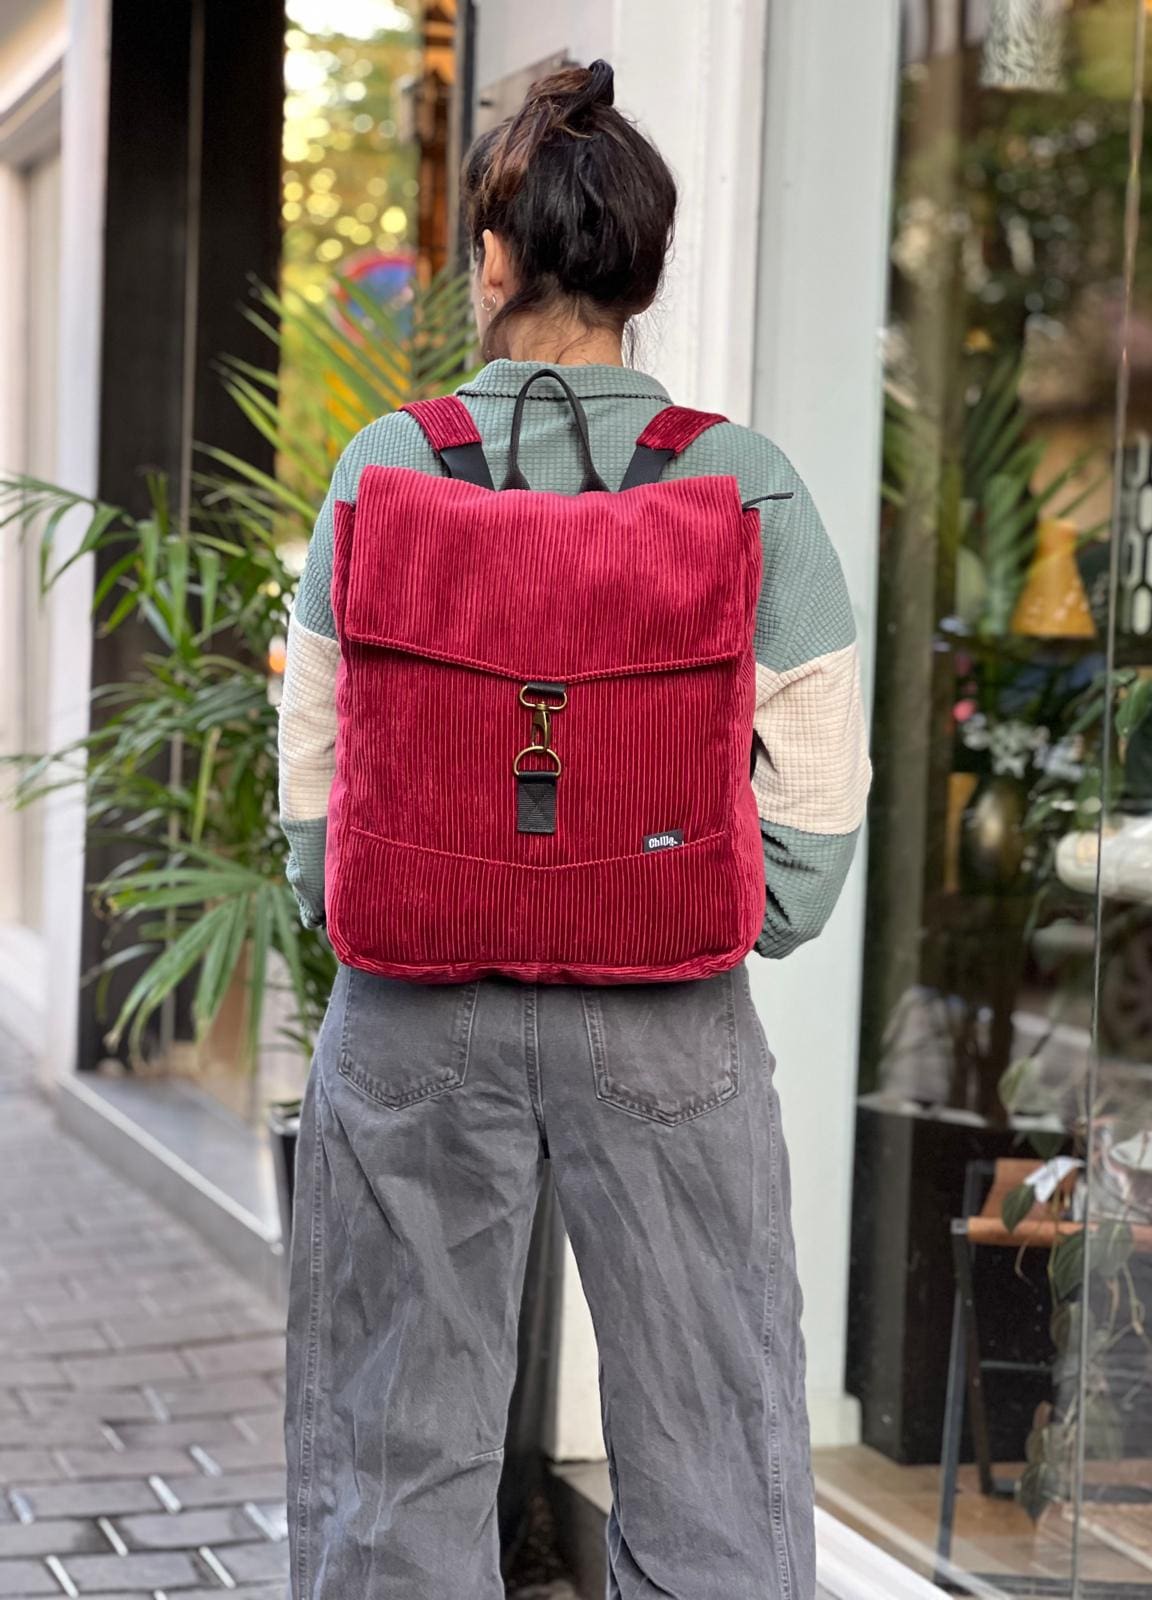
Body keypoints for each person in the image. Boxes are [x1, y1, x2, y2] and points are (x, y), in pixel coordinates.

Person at [278, 57, 871, 1600]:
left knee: (394, 1445)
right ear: (644, 273)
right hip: (664, 1007)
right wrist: (754, 913)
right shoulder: (741, 480)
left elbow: (313, 749)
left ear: (490, 260)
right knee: (711, 1428)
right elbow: (817, 750)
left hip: (418, 1002)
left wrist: (352, 900)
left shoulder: (388, 466)